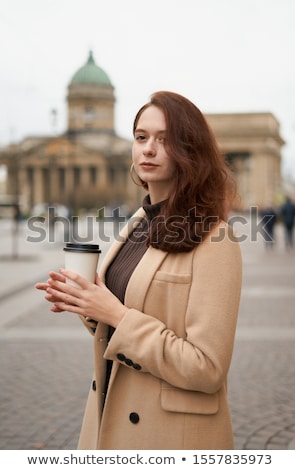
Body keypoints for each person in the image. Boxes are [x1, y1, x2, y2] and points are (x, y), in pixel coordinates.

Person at [35, 91, 242, 450]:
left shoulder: (215, 237)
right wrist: (87, 301)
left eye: (165, 140)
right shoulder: (138, 221)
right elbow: (123, 319)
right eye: (141, 137)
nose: (148, 149)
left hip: (168, 433)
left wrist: (113, 311)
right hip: (110, 415)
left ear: (190, 151)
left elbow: (207, 368)